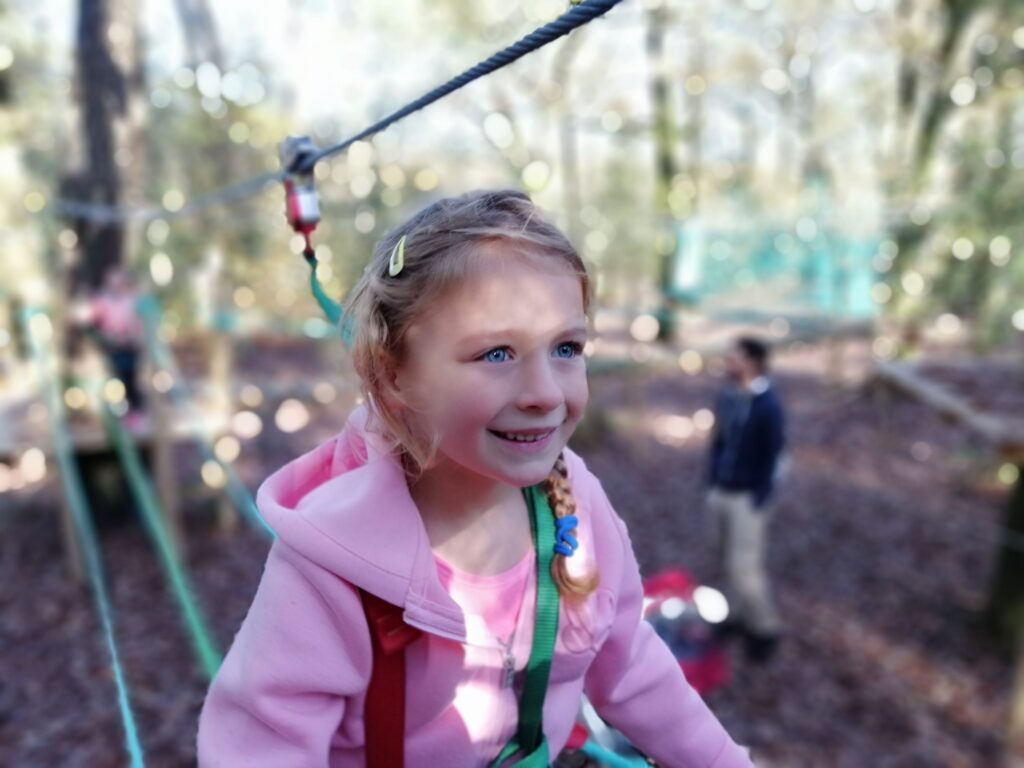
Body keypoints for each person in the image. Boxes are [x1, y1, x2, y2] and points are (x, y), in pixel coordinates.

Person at [197, 190, 755, 767]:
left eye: (567, 347)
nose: (543, 394)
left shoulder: (574, 505)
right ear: (393, 377)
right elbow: (261, 748)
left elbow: (631, 665)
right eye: (496, 353)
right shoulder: (331, 563)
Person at [706, 337, 786, 663]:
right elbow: (719, 440)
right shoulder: (729, 397)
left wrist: (760, 495)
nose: (729, 361)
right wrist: (712, 480)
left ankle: (766, 629)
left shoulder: (768, 405)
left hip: (747, 498)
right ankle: (737, 617)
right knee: (724, 559)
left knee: (745, 568)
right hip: (722, 490)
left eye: (735, 356)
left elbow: (775, 454)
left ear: (752, 361)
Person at [86, 267, 145, 426]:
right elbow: (93, 319)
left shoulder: (131, 299)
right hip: (112, 346)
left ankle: (135, 413)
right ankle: (118, 412)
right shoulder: (101, 300)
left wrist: (132, 335)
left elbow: (137, 321)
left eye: (118, 281)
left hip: (129, 345)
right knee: (115, 378)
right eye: (112, 281)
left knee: (130, 378)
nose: (116, 284)